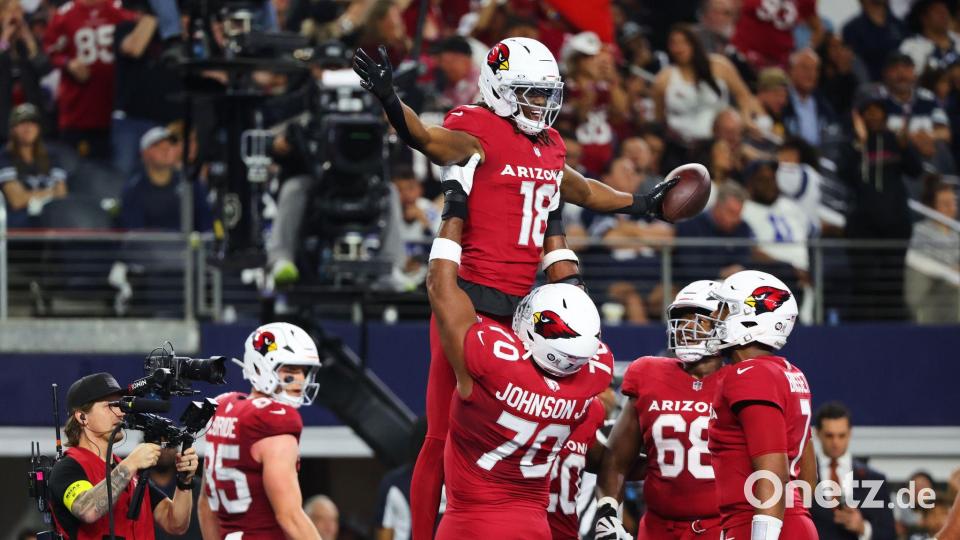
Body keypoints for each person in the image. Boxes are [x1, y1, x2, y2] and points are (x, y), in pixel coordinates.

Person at [353, 36, 679, 540]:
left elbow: (584, 189)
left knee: (550, 424)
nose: (540, 104)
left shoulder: (549, 145)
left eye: (545, 93)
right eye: (528, 92)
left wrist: (643, 203)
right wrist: (392, 103)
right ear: (499, 89)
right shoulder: (477, 126)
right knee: (442, 435)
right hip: (469, 297)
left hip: (526, 310)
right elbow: (428, 139)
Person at [424, 191, 614, 539]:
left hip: (470, 526)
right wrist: (552, 218)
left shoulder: (493, 362)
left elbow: (440, 285)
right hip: (533, 527)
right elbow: (574, 296)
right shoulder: (590, 375)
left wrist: (455, 206)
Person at [594, 280, 726, 540]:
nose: (686, 328)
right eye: (682, 319)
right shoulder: (649, 374)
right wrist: (608, 513)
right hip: (658, 527)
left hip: (720, 527)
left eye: (697, 319)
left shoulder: (742, 381)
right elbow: (617, 460)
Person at [705, 269, 818, 540]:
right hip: (783, 519)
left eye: (724, 309)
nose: (713, 317)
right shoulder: (788, 372)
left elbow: (772, 471)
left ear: (751, 318)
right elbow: (807, 465)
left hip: (761, 522)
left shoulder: (751, 375)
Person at [198, 322, 322, 539]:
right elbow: (290, 517)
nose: (300, 379)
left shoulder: (224, 407)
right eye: (290, 370)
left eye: (304, 371)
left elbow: (206, 507)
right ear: (259, 367)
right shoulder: (274, 420)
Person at [48, 372, 198, 539]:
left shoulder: (132, 475)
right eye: (109, 405)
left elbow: (175, 523)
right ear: (82, 417)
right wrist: (131, 464)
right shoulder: (67, 467)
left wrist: (185, 481)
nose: (120, 413)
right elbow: (87, 509)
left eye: (120, 405)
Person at [653, 24, 762, 172]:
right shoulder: (664, 79)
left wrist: (745, 119)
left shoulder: (720, 66)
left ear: (695, 43)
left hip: (722, 145)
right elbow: (659, 117)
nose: (679, 48)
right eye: (674, 43)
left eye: (684, 42)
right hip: (682, 149)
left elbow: (744, 96)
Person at [42, 0, 136, 158]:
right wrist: (68, 63)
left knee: (118, 174)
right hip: (78, 111)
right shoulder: (64, 14)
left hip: (117, 109)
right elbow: (48, 51)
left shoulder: (121, 9)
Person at [810, 401, 896, 540]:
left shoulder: (874, 479)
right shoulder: (802, 476)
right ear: (818, 433)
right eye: (829, 435)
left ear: (850, 433)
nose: (835, 442)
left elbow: (889, 534)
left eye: (841, 435)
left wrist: (863, 528)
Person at [0, 103, 67, 228]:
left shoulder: (52, 155)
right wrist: (50, 193)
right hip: (19, 220)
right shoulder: (4, 157)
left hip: (52, 217)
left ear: (39, 128)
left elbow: (62, 194)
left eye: (33, 123)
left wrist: (30, 196)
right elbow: (17, 200)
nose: (28, 128)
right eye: (22, 123)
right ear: (13, 128)